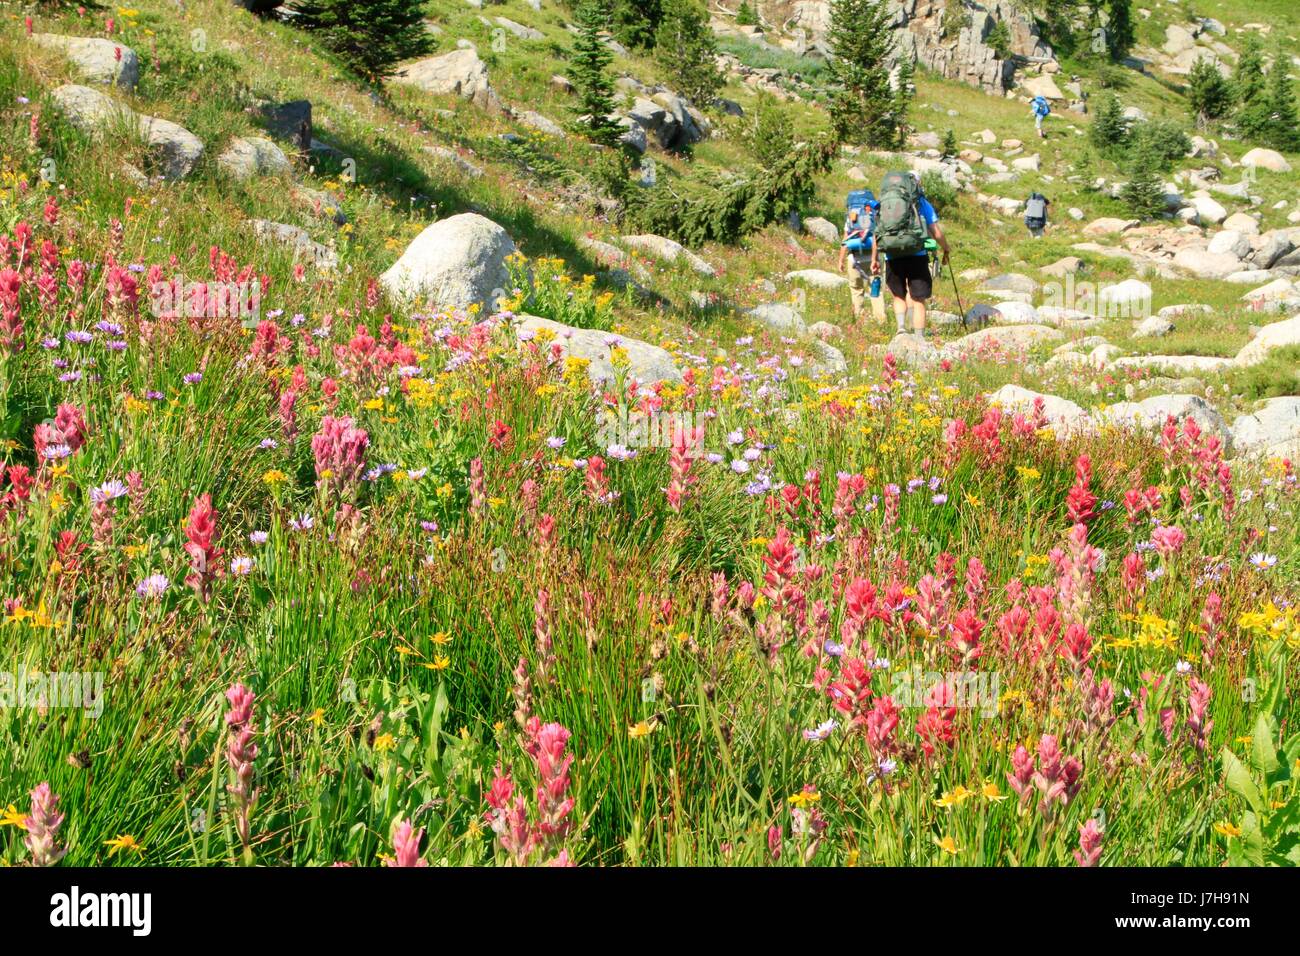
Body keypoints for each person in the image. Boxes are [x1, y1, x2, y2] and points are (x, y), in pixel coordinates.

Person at [870, 171, 950, 340]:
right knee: (918, 298)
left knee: (898, 295)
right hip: (917, 254)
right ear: (916, 184)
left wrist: (874, 259)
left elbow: (877, 233)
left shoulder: (885, 202)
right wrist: (946, 248)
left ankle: (901, 330)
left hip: (892, 255)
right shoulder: (921, 203)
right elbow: (936, 231)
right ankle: (919, 338)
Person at [836, 190, 878, 322]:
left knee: (856, 290)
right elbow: (878, 237)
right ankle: (880, 320)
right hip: (873, 256)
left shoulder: (851, 217)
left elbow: (845, 241)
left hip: (854, 257)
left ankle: (859, 321)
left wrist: (840, 260)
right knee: (876, 289)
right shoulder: (873, 216)